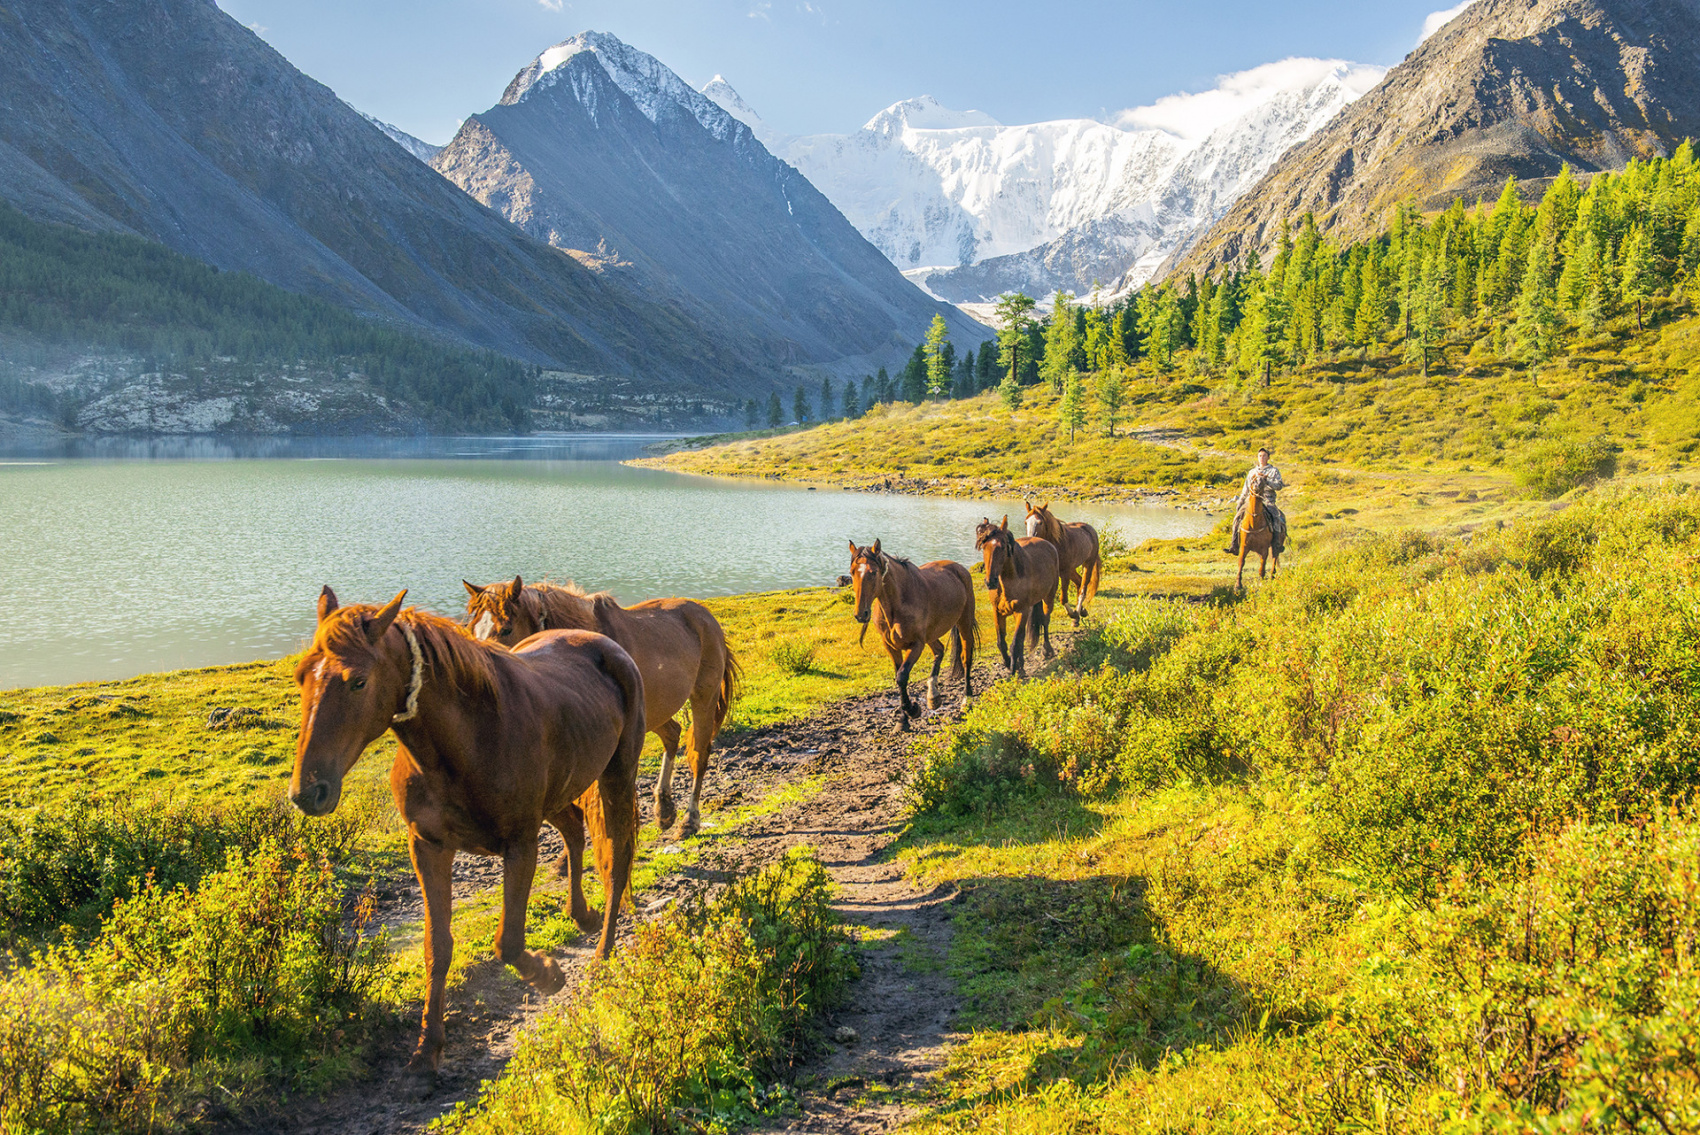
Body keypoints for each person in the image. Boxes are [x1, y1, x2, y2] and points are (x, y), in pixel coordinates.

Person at [1225, 447, 1286, 556]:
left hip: (1267, 499)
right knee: (1237, 518)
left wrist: (1267, 481)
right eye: (1260, 456)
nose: (1262, 458)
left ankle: (1276, 544)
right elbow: (1246, 489)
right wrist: (1241, 501)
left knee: (1277, 518)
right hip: (1251, 500)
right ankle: (1234, 545)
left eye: (1264, 456)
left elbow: (1279, 486)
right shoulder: (1252, 472)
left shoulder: (1273, 471)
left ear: (1268, 457)